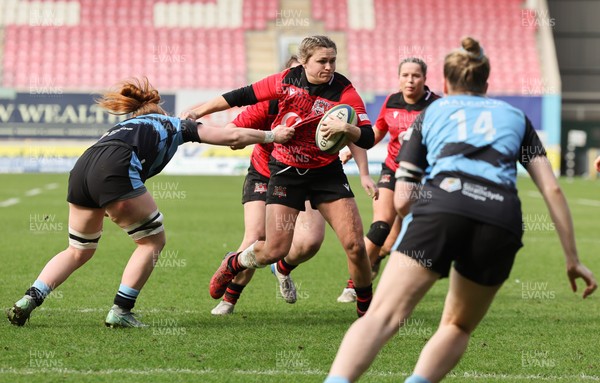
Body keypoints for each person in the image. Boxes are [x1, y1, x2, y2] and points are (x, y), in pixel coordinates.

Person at [324, 37, 597, 383]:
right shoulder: (516, 117)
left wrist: (434, 213)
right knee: (458, 325)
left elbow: (404, 198)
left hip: (440, 208)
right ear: (487, 82)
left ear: (445, 83)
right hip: (501, 220)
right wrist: (572, 259)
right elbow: (552, 188)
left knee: (381, 317)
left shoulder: (430, 114)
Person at [6, 77, 295, 328]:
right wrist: (271, 135)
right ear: (161, 111)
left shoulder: (126, 125)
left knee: (78, 250)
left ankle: (29, 299)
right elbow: (230, 135)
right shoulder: (173, 124)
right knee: (151, 242)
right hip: (115, 170)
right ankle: (120, 310)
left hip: (82, 169)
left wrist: (109, 196)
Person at [185, 35, 376, 317]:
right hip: (285, 172)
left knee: (355, 245)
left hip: (326, 174)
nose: (329, 67)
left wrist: (348, 130)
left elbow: (368, 137)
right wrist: (200, 111)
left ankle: (367, 313)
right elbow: (241, 95)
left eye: (332, 60)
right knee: (272, 248)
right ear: (304, 62)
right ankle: (234, 264)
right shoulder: (284, 81)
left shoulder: (343, 91)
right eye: (322, 61)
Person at [336, 57, 440, 303]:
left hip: (421, 176)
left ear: (425, 79)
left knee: (390, 242)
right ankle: (353, 285)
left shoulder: (436, 106)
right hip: (392, 170)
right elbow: (378, 132)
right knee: (380, 226)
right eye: (405, 75)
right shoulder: (391, 101)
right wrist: (355, 148)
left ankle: (378, 259)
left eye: (416, 76)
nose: (410, 80)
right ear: (399, 78)